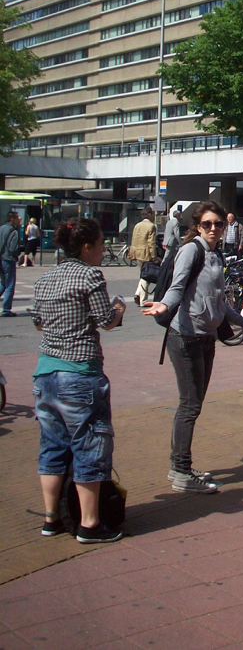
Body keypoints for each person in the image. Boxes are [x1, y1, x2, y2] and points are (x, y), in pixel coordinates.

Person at [142, 201, 243, 493]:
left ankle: (180, 467)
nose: (214, 229)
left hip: (205, 338)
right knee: (189, 405)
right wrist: (164, 305)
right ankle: (181, 471)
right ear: (198, 226)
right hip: (185, 337)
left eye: (219, 224)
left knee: (193, 405)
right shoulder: (192, 250)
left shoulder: (215, 256)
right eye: (208, 224)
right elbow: (177, 286)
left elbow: (219, 301)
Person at [29, 217, 126, 543]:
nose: (103, 251)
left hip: (45, 374)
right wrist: (120, 310)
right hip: (79, 374)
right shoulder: (90, 276)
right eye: (100, 245)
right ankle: (89, 524)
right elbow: (105, 321)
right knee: (89, 446)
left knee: (52, 448)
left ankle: (51, 518)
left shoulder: (46, 278)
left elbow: (39, 323)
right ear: (86, 247)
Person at [129, 208, 157, 306]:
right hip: (146, 253)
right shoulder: (151, 226)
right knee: (146, 276)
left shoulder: (137, 225)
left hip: (137, 252)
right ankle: (143, 300)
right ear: (149, 215)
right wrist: (154, 256)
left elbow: (134, 239)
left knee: (143, 274)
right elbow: (151, 242)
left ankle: (138, 294)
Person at [0, 211, 22, 317]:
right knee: (9, 284)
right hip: (8, 259)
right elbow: (13, 248)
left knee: (3, 283)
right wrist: (17, 254)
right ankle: (6, 309)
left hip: (0, 258)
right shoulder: (14, 232)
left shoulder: (1, 228)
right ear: (12, 219)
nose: (19, 220)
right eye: (17, 218)